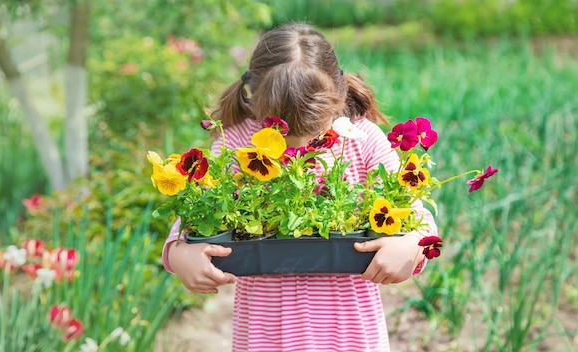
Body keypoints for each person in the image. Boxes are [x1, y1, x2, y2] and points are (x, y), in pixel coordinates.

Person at [162, 23, 438, 352]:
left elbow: (418, 215)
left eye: (314, 131)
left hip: (347, 331)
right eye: (282, 134)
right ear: (254, 98)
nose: (301, 147)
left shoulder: (361, 139)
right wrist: (179, 253)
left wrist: (411, 244)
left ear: (338, 96)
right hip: (268, 332)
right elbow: (196, 209)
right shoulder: (237, 141)